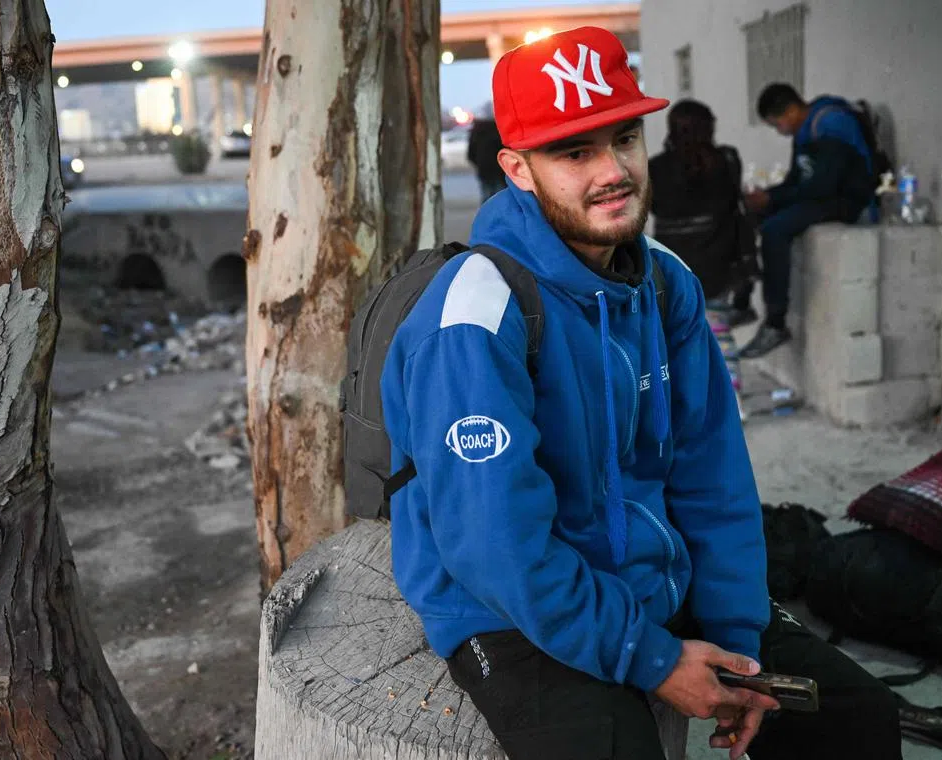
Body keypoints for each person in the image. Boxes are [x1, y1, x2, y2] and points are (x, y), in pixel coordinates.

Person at [381, 27, 900, 760]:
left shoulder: (662, 280)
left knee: (853, 718)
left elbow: (710, 474)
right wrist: (652, 659)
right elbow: (496, 545)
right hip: (510, 606)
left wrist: (733, 636)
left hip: (650, 576)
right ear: (517, 170)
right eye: (574, 152)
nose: (613, 171)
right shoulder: (474, 315)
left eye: (624, 138)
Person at [738, 83, 877, 359]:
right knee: (749, 217)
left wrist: (774, 201)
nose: (779, 130)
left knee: (775, 229)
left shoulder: (831, 123)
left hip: (847, 201)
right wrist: (767, 196)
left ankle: (775, 322)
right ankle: (742, 302)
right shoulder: (804, 130)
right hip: (822, 196)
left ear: (791, 110)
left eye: (777, 123)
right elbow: (797, 181)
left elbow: (823, 184)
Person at [648, 100, 759, 421]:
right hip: (717, 263)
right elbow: (735, 207)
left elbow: (651, 212)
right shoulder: (727, 160)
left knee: (675, 336)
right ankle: (733, 401)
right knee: (719, 331)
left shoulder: (654, 168)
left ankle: (684, 406)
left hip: (671, 266)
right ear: (710, 126)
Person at [468, 101, 508, 202]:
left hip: (484, 170)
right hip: (500, 171)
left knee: (486, 197)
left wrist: (479, 164)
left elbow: (470, 153)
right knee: (501, 198)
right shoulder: (500, 131)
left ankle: (487, 216)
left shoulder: (477, 132)